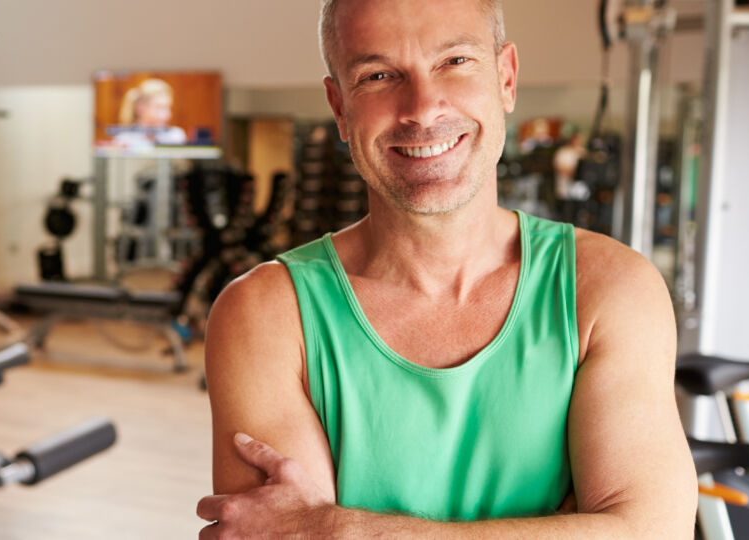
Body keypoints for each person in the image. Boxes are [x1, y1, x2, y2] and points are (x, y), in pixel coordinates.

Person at [196, 0, 696, 537]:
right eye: (379, 75)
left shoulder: (608, 289)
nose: (423, 108)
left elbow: (652, 530)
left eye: (454, 62)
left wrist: (340, 528)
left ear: (506, 79)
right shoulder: (264, 314)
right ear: (339, 108)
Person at [112, 78, 188, 149]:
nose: (167, 115)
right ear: (140, 107)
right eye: (160, 107)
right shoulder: (124, 140)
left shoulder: (175, 136)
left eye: (168, 108)